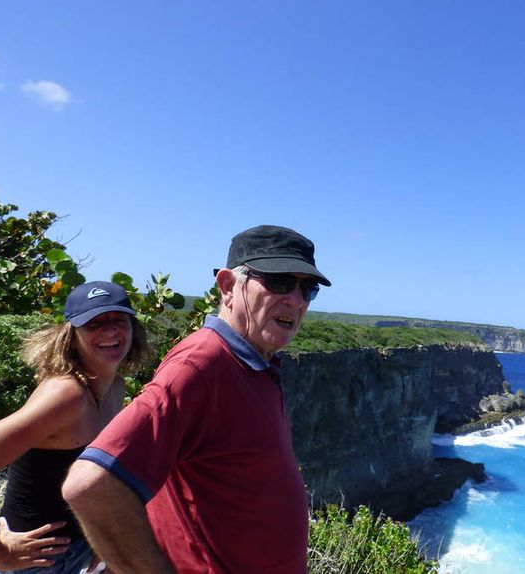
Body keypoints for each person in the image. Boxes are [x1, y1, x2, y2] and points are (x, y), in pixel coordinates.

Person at [62, 225, 330, 573]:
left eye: (307, 288)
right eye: (278, 282)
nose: (295, 299)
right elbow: (90, 485)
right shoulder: (202, 364)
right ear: (228, 286)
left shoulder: (255, 363)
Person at [0, 281, 149, 573]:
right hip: (32, 562)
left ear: (133, 329)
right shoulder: (66, 395)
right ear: (72, 337)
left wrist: (100, 539)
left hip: (77, 551)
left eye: (118, 320)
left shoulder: (115, 387)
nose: (109, 330)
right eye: (94, 324)